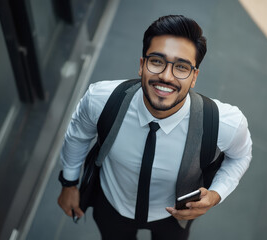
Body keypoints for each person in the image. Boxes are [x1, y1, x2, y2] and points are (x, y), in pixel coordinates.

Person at [57, 15, 252, 240]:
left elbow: (240, 157)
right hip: (111, 204)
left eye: (181, 67)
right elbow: (78, 136)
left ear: (194, 77)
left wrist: (217, 193)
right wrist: (69, 183)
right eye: (157, 61)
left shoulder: (224, 123)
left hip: (173, 217)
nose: (166, 76)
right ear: (142, 65)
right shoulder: (100, 100)